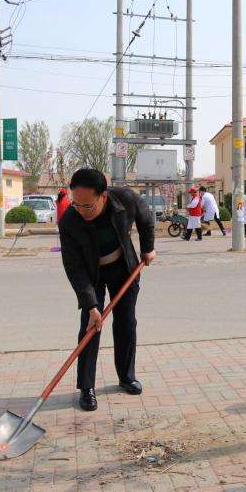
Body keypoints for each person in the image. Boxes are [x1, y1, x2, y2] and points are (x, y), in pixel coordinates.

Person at [59, 168, 156, 412]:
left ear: (103, 196)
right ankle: (86, 387)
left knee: (126, 323)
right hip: (92, 275)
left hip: (124, 268)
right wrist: (91, 305)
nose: (81, 210)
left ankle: (126, 377)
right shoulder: (70, 221)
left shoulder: (124, 198)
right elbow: (74, 267)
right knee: (91, 326)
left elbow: (146, 218)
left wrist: (148, 248)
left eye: (87, 205)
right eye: (76, 204)